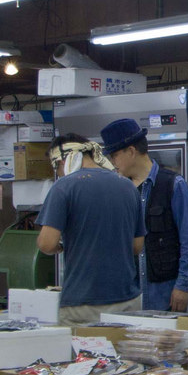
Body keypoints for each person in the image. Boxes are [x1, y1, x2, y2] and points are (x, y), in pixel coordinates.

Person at [35, 134, 145, 326]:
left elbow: (46, 244)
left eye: (56, 168)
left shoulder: (64, 187)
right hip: (128, 300)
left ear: (62, 161)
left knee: (84, 347)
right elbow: (137, 246)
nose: (58, 173)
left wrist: (61, 247)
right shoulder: (128, 186)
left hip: (83, 303)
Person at [100, 117, 188, 312]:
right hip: (127, 295)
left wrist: (183, 285)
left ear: (131, 151)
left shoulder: (173, 185)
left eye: (114, 155)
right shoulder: (119, 189)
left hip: (164, 292)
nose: (112, 162)